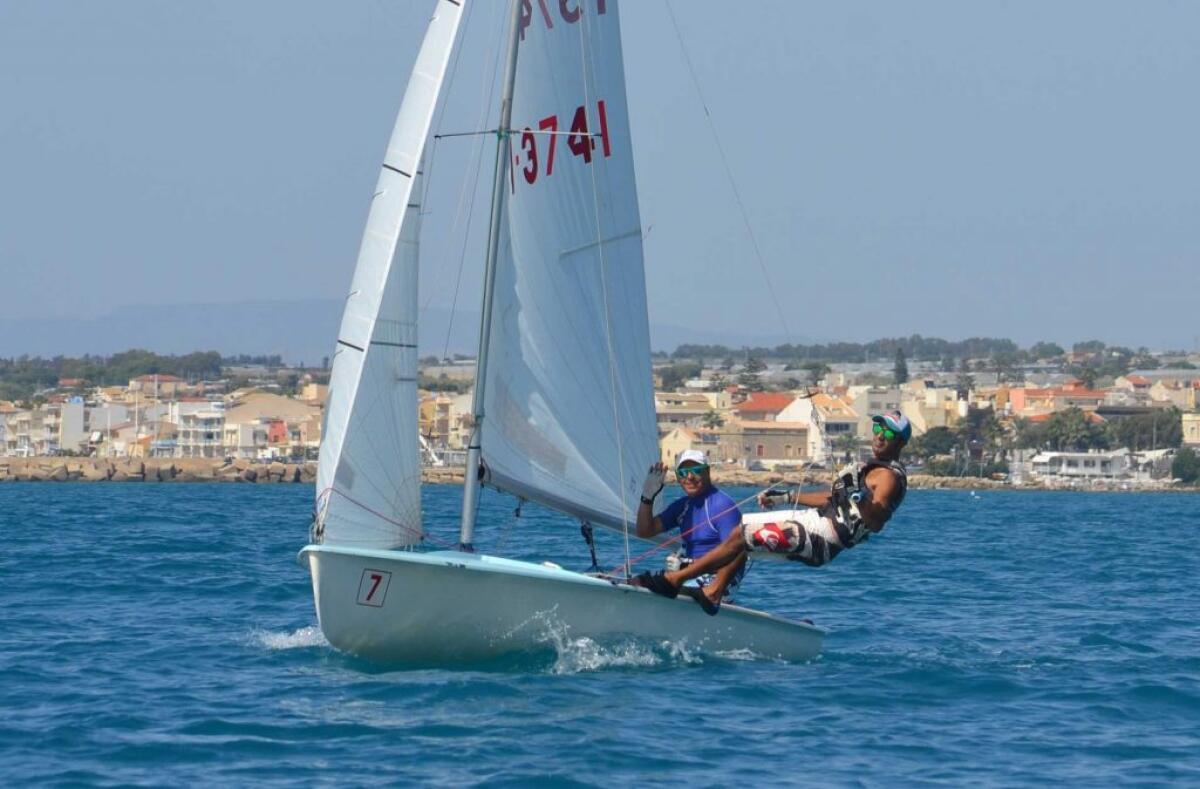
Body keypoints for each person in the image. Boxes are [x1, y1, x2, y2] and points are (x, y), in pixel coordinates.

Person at [635, 411, 912, 609]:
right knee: (743, 536)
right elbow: (833, 500)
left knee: (742, 535)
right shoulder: (875, 470)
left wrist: (858, 498)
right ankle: (709, 591)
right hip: (814, 523)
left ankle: (684, 583)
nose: (879, 437)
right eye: (877, 429)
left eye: (887, 433)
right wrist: (788, 497)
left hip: (823, 537)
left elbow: (877, 519)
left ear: (900, 442)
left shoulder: (887, 477)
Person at [634, 449, 746, 614]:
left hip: (716, 582)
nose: (690, 477)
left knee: (659, 589)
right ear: (678, 476)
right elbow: (645, 531)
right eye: (683, 472)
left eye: (696, 471)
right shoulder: (683, 506)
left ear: (707, 472)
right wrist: (647, 496)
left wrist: (716, 588)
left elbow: (739, 552)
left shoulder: (722, 505)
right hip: (689, 576)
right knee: (635, 582)